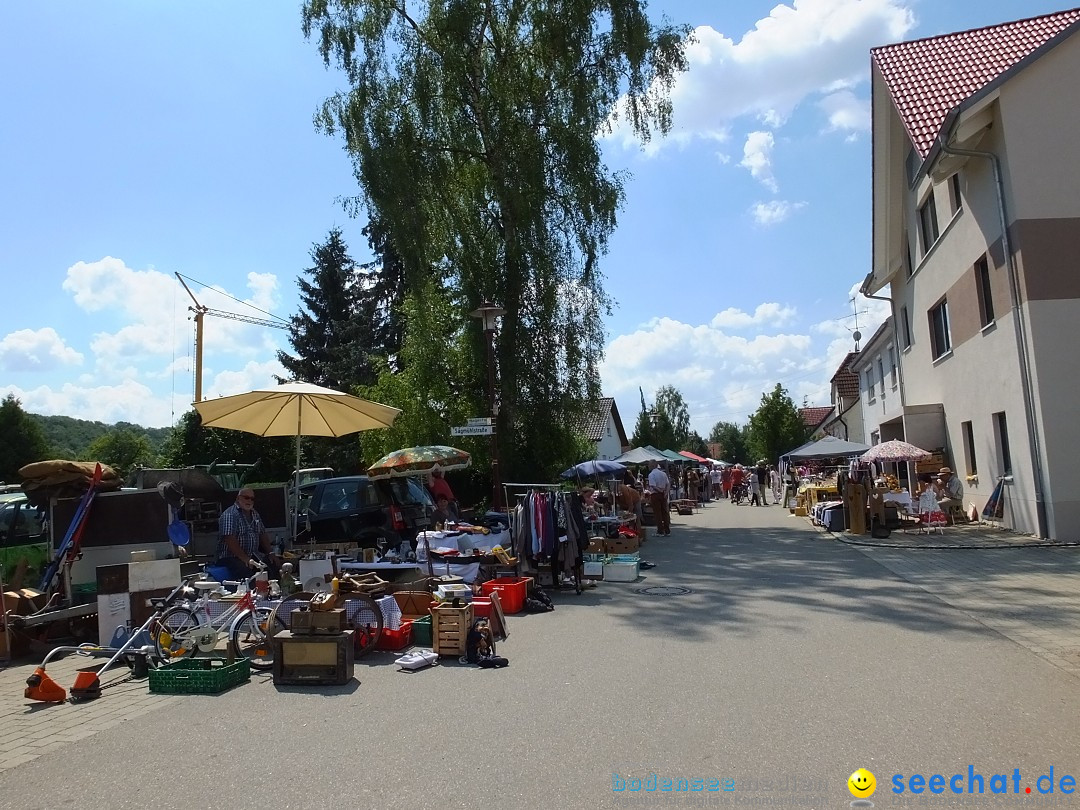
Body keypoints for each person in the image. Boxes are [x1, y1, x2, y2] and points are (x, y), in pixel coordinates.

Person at [216, 488, 280, 581]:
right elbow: (229, 538)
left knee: (272, 566)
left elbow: (262, 533)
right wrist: (245, 558)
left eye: (252, 499)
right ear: (238, 498)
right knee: (247, 573)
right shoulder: (230, 514)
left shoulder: (254, 514)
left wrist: (270, 553)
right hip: (230, 558)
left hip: (252, 556)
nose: (249, 501)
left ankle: (274, 593)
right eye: (246, 498)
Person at [647, 461, 671, 536]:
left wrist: (659, 490)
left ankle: (660, 530)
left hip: (655, 494)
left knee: (658, 513)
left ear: (652, 465)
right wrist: (665, 492)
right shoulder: (663, 474)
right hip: (663, 494)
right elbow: (668, 484)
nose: (648, 466)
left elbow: (653, 485)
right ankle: (667, 530)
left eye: (649, 464)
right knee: (665, 512)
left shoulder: (651, 474)